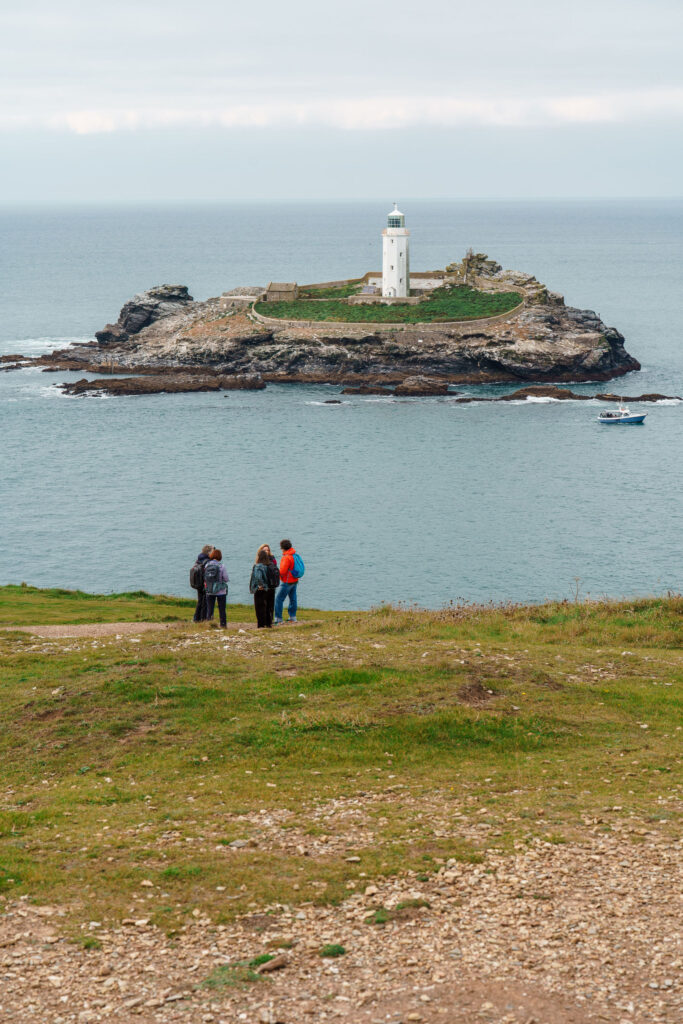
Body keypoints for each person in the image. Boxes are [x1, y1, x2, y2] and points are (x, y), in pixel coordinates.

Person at [274, 539, 299, 625]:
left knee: (279, 599)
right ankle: (293, 617)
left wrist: (277, 573)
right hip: (295, 580)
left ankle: (278, 618)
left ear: (282, 548)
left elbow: (283, 571)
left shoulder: (286, 557)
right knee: (293, 598)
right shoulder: (294, 554)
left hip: (287, 581)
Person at [204, 548, 229, 627]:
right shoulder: (222, 566)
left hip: (209, 590)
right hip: (220, 591)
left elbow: (205, 577)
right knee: (222, 609)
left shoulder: (207, 565)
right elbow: (226, 578)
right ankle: (223, 625)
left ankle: (209, 624)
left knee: (210, 609)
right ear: (220, 556)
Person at [250, 548, 273, 628]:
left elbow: (258, 577)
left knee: (259, 607)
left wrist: (260, 585)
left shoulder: (258, 566)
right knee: (267, 607)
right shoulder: (267, 566)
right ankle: (268, 623)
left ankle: (261, 625)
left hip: (260, 589)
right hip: (268, 588)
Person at [257, 544, 280, 625]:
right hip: (271, 585)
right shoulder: (270, 561)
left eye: (268, 550)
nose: (267, 551)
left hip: (268, 585)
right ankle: (268, 622)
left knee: (268, 605)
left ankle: (267, 622)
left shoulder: (270, 561)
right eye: (265, 550)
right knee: (267, 604)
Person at [191, 544, 212, 622]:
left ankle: (196, 618)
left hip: (198, 583)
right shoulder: (207, 561)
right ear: (208, 552)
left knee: (200, 601)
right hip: (204, 583)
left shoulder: (199, 559)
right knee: (205, 602)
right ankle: (203, 618)